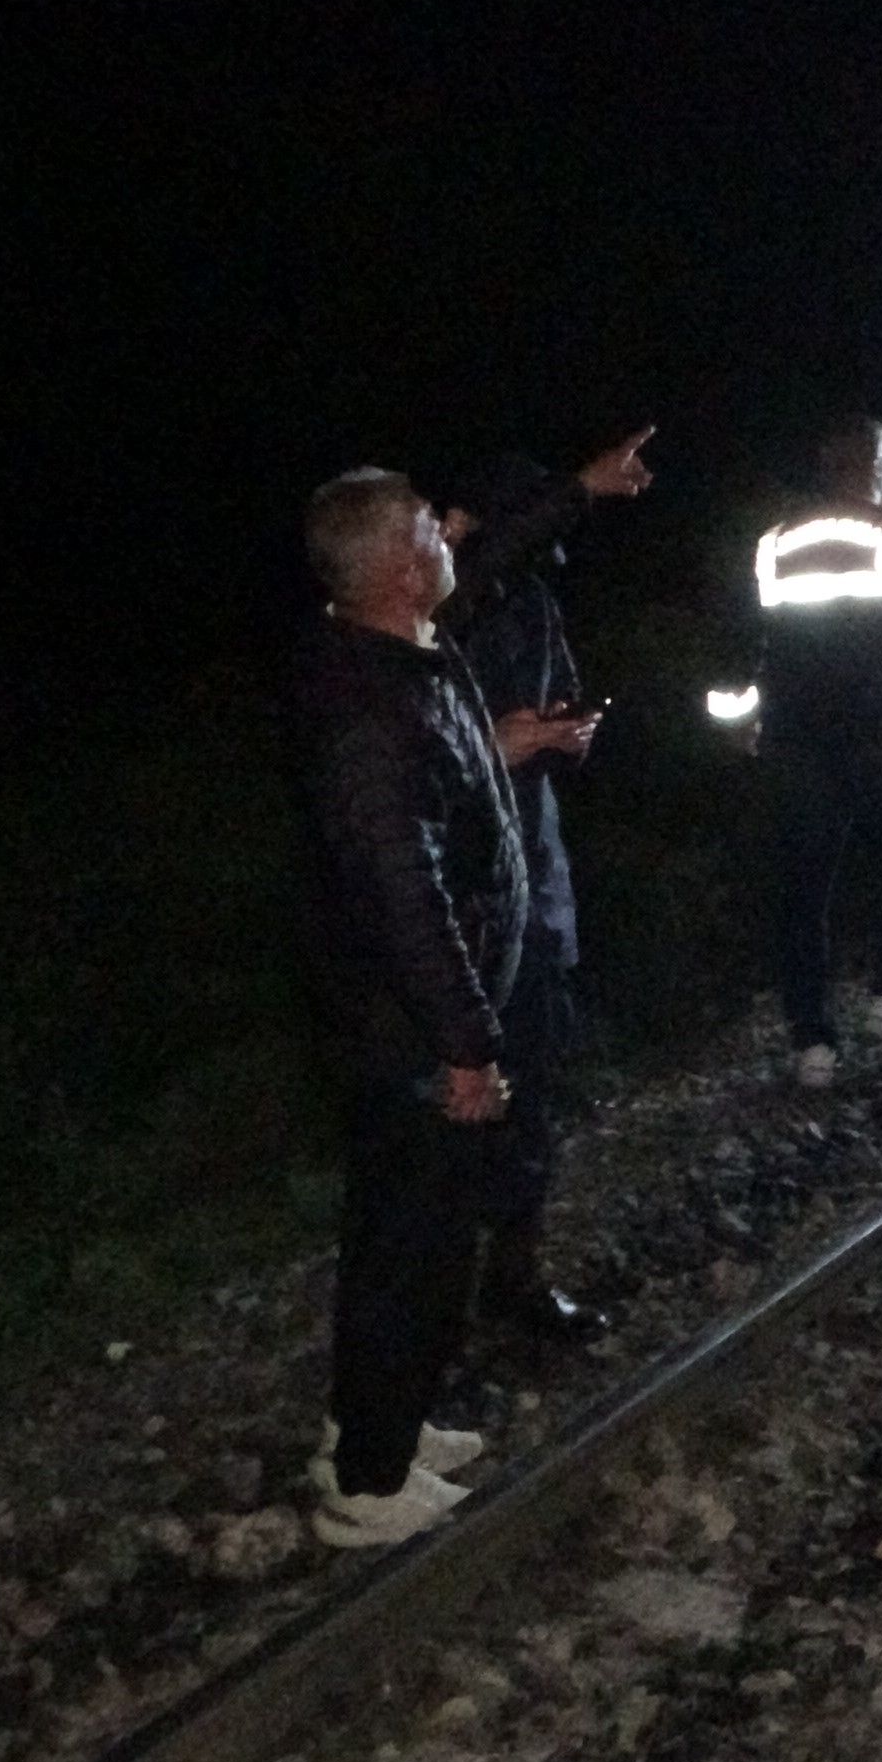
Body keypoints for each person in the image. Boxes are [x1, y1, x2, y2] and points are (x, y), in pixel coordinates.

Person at [285, 468, 527, 1547]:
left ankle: (377, 1424)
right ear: (394, 565)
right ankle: (368, 1486)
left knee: (407, 1233)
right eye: (431, 527)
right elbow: (404, 894)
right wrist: (465, 1039)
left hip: (414, 1019)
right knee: (411, 1244)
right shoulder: (367, 707)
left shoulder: (399, 655)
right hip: (411, 1032)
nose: (447, 533)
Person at [427, 426, 655, 1339]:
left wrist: (567, 731)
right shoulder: (431, 613)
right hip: (456, 894)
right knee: (451, 1111)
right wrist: (497, 743)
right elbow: (413, 759)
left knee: (536, 1085)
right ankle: (434, 1316)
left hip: (535, 868)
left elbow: (557, 697)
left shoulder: (534, 601)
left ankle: (513, 1283)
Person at [707, 416, 882, 1087]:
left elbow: (742, 646)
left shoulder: (772, 544)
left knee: (802, 892)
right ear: (877, 464)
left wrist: (739, 720)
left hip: (798, 744)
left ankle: (811, 1043)